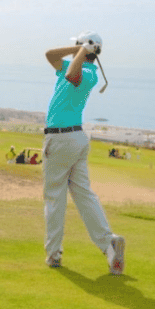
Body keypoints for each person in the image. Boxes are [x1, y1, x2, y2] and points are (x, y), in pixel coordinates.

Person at [42, 32, 125, 274]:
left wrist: (81, 51)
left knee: (55, 197)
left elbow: (70, 76)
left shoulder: (88, 74)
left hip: (60, 138)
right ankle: (109, 246)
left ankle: (54, 255)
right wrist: (78, 48)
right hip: (75, 139)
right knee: (84, 195)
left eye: (77, 44)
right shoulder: (76, 63)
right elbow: (49, 55)